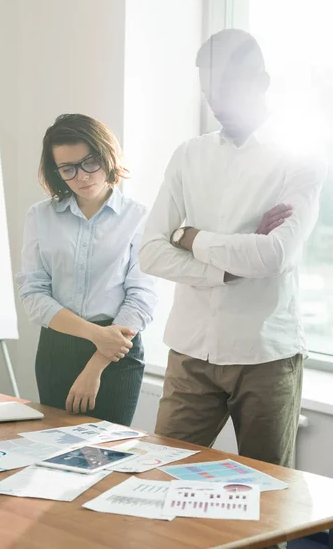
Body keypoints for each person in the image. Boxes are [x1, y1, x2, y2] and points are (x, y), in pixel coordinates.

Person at [139, 29, 326, 470]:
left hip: (265, 356)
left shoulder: (300, 159)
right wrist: (228, 269)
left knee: (269, 498)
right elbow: (149, 251)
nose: (217, 102)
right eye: (208, 91)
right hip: (190, 352)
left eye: (227, 88)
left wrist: (190, 238)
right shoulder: (188, 155)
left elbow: (274, 255)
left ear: (261, 81)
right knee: (159, 479)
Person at [17, 113, 157, 426]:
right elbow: (33, 292)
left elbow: (141, 296)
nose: (82, 176)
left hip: (117, 351)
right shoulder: (40, 215)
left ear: (107, 155)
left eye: (89, 162)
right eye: (68, 169)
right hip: (58, 347)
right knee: (55, 452)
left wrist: (96, 363)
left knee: (107, 455)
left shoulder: (139, 217)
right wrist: (95, 334)